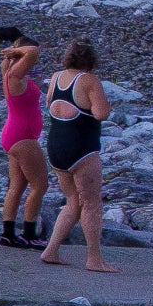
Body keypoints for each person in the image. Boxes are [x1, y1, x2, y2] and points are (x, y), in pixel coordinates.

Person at [33, 40, 116, 272]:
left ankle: (50, 251)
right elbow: (101, 113)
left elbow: (50, 104)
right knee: (91, 203)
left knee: (72, 201)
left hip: (56, 148)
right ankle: (94, 259)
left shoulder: (57, 77)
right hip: (82, 148)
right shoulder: (89, 80)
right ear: (91, 59)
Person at [0, 37, 49, 249]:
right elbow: (32, 53)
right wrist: (17, 50)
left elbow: (30, 54)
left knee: (17, 185)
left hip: (14, 134)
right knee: (40, 185)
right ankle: (29, 234)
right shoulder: (15, 73)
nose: (36, 57)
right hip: (22, 135)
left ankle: (8, 233)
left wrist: (15, 52)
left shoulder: (10, 72)